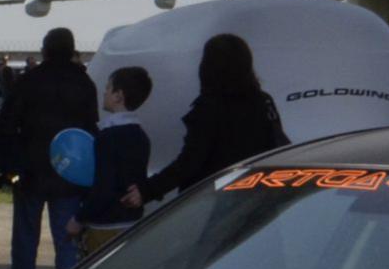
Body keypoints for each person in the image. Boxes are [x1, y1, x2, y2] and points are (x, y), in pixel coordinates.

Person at [0, 25, 97, 269]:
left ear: (44, 51)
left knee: (24, 239)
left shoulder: (29, 81)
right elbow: (89, 128)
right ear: (72, 51)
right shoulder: (83, 83)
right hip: (69, 172)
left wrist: (4, 163)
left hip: (30, 170)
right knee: (66, 240)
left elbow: (7, 124)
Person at [142, 30, 287, 204]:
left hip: (215, 195)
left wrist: (149, 190)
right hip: (259, 191)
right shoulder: (263, 100)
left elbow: (190, 161)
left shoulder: (209, 108)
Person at [69, 65, 155, 257]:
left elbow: (103, 185)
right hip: (132, 220)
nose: (104, 93)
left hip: (105, 224)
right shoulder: (141, 136)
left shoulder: (108, 136)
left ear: (119, 96)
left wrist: (79, 218)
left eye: (108, 88)